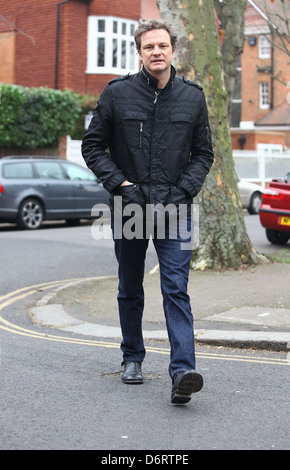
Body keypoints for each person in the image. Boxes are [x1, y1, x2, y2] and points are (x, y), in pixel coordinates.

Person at [82, 19, 214, 404]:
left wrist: (183, 190)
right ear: (139, 52)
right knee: (130, 287)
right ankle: (132, 357)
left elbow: (203, 153)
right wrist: (123, 186)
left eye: (163, 46)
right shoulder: (116, 93)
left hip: (178, 210)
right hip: (129, 208)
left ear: (173, 50)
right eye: (148, 47)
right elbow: (92, 147)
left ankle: (183, 372)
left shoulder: (194, 97)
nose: (157, 52)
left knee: (176, 289)